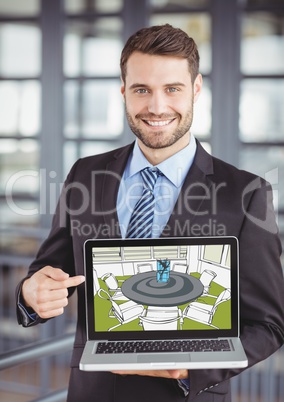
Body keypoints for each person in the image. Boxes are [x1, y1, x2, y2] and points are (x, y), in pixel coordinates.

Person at [16, 24, 284, 402]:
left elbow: (269, 325)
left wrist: (192, 366)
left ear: (196, 89)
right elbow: (49, 269)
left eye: (172, 89)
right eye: (142, 90)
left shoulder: (247, 193)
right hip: (94, 392)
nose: (157, 107)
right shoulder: (86, 175)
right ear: (124, 91)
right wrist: (31, 294)